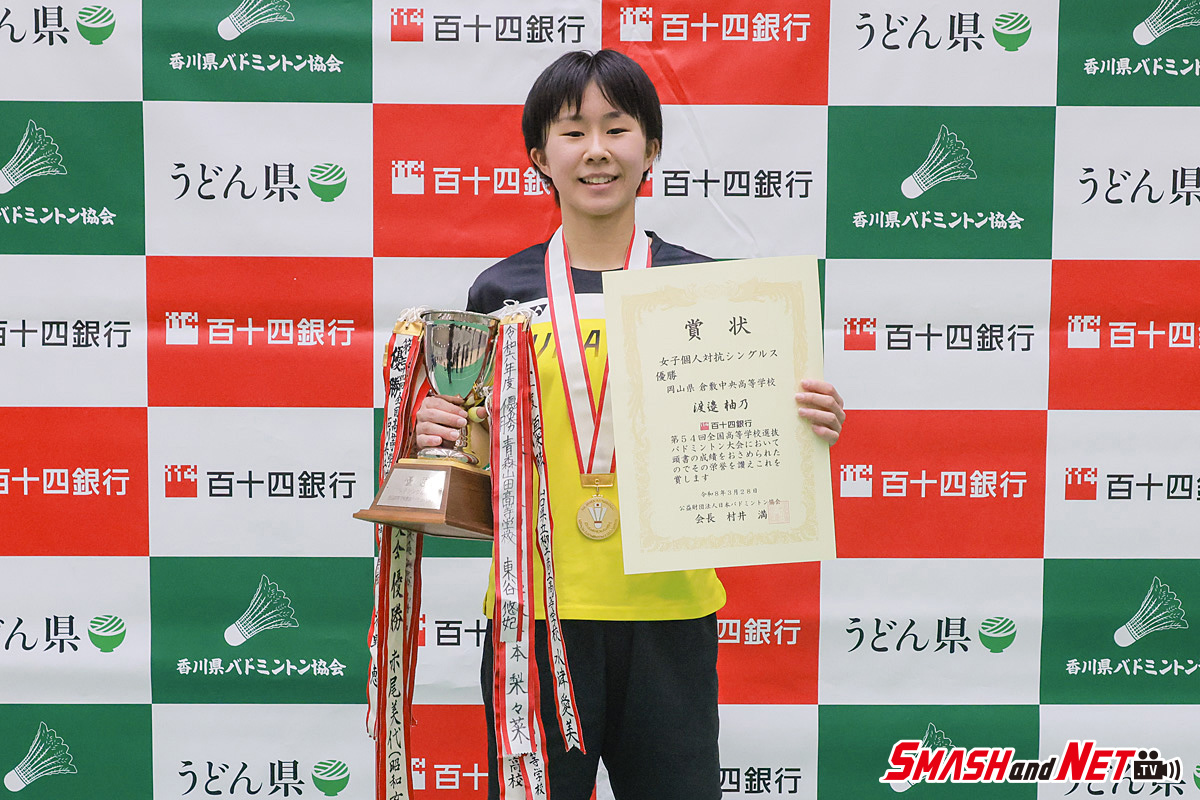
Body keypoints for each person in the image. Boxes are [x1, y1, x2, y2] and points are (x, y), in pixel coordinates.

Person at [414, 49, 844, 800]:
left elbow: (744, 430)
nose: (597, 150)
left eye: (617, 128)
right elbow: (486, 449)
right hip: (535, 615)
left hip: (669, 610)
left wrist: (806, 423)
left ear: (652, 148)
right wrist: (446, 430)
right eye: (572, 131)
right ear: (539, 155)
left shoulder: (705, 291)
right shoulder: (500, 292)